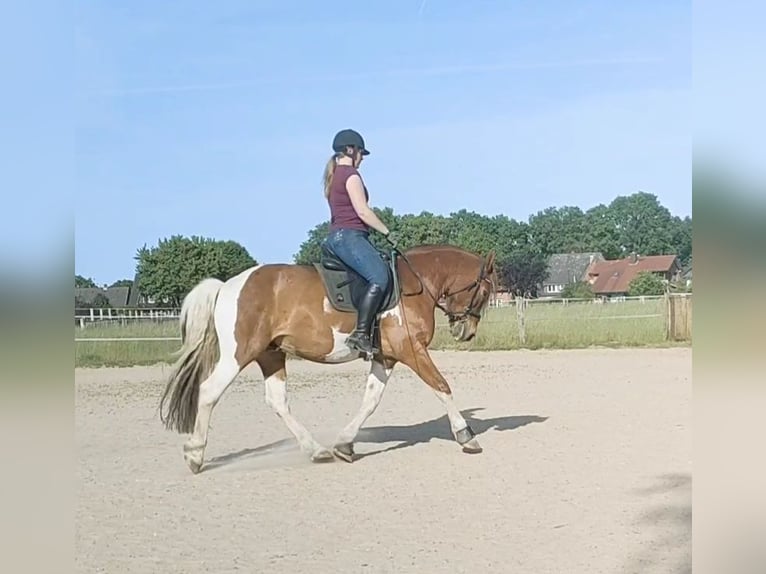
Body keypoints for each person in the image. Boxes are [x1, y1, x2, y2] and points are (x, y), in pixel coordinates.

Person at [322, 128, 394, 356]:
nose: (362, 158)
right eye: (361, 153)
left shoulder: (334, 176)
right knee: (380, 276)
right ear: (350, 150)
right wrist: (387, 231)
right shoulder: (350, 175)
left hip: (338, 236)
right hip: (349, 236)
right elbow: (362, 212)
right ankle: (361, 333)